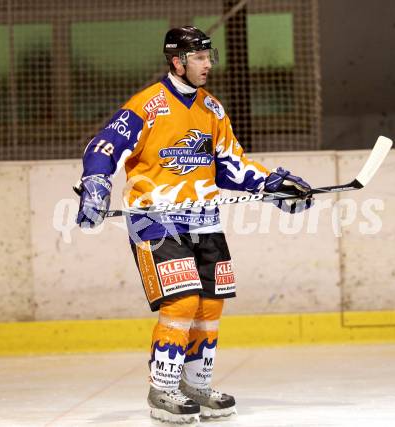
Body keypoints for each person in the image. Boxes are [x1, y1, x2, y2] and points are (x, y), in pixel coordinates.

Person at [75, 26, 312, 425]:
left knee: (209, 304)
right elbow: (104, 146)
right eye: (199, 58)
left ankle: (194, 385)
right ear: (177, 61)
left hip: (204, 220)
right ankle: (163, 388)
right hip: (155, 221)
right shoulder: (148, 104)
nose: (207, 65)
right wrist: (96, 183)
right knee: (181, 301)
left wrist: (273, 184)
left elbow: (231, 166)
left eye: (208, 57)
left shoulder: (212, 109)